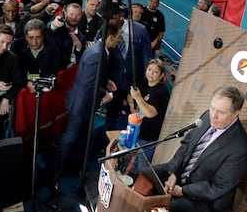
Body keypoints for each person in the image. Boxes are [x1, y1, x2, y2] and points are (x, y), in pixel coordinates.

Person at [152, 85, 247, 212]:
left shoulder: (241, 148)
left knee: (168, 211)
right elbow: (187, 144)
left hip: (205, 199)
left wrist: (183, 191)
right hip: (181, 176)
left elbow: (218, 187)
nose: (213, 116)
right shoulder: (206, 116)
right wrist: (174, 173)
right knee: (147, 174)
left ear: (236, 113)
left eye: (220, 112)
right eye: (212, 108)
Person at [53, 22, 122, 189]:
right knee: (70, 138)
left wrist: (106, 82)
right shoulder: (98, 54)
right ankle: (57, 172)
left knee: (81, 136)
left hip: (86, 103)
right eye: (118, 37)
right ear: (110, 37)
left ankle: (74, 166)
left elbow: (93, 76)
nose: (119, 40)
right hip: (82, 104)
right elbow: (88, 83)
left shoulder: (99, 51)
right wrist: (104, 93)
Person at [127, 59, 170, 159]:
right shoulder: (143, 82)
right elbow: (130, 95)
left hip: (148, 136)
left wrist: (138, 97)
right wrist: (132, 107)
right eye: (149, 69)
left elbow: (150, 113)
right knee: (128, 155)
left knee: (142, 163)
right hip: (136, 128)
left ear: (162, 75)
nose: (151, 73)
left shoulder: (161, 91)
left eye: (155, 72)